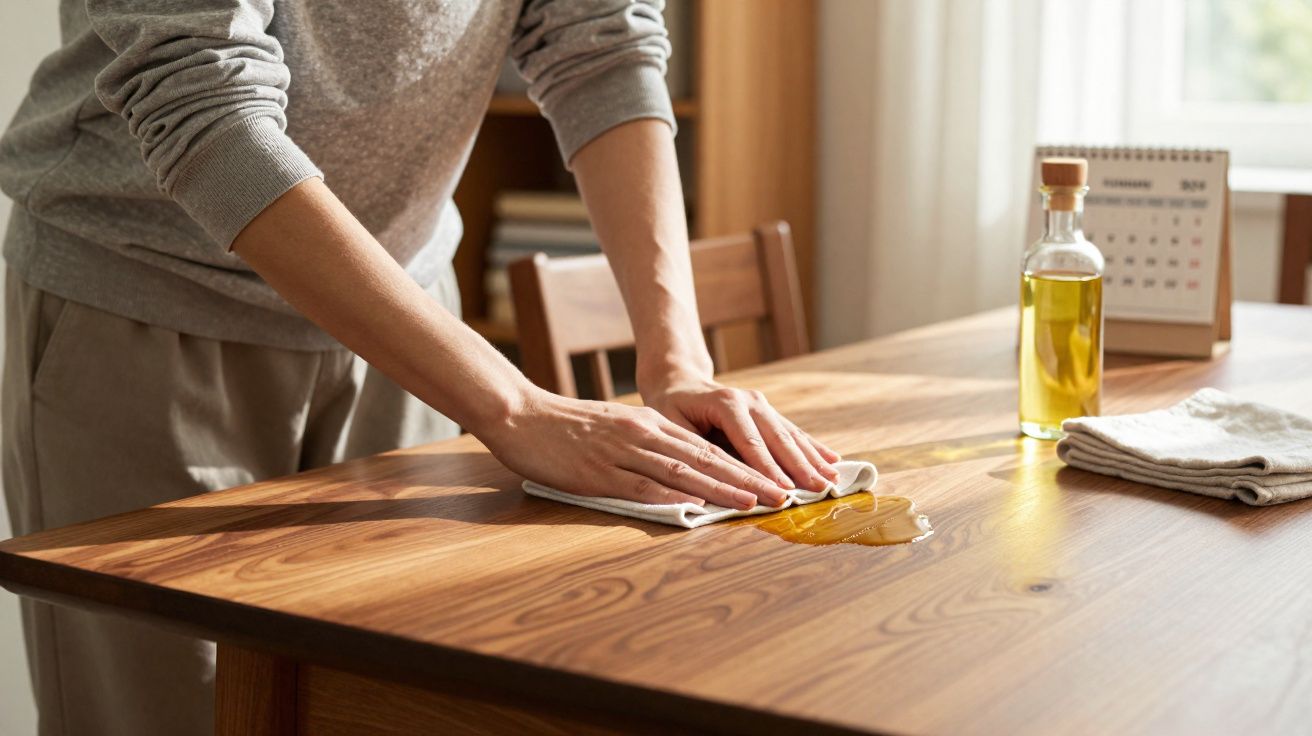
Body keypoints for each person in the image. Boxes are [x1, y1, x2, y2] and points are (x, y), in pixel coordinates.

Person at [0, 1, 839, 733]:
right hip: (142, 307)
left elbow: (604, 43)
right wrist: (511, 405)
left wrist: (675, 358)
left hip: (406, 323)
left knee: (402, 704)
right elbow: (199, 98)